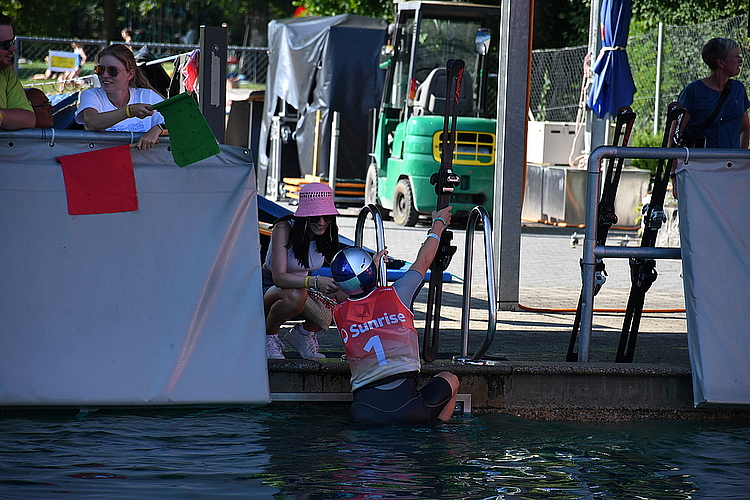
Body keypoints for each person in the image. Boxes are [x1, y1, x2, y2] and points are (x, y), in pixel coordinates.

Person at [330, 206, 460, 426]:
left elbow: (355, 296)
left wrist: (369, 267)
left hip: (363, 414)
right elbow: (424, 259)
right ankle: (440, 434)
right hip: (409, 409)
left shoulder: (339, 312)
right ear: (372, 272)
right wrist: (438, 223)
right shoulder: (400, 293)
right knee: (451, 379)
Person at [263, 183, 341, 360]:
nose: (321, 222)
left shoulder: (329, 231)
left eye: (327, 216)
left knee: (347, 291)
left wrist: (372, 263)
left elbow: (341, 265)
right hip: (269, 287)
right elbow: (279, 277)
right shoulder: (284, 228)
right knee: (296, 294)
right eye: (315, 218)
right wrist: (315, 282)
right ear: (304, 217)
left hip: (302, 288)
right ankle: (268, 337)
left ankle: (304, 334)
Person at [75, 44, 166, 150]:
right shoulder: (91, 95)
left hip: (144, 164)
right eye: (100, 69)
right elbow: (93, 122)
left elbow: (180, 121)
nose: (105, 75)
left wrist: (159, 129)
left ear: (130, 74)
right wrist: (129, 111)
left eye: (112, 71)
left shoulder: (147, 96)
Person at [678, 37, 750, 149]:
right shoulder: (693, 91)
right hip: (699, 163)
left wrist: (741, 159)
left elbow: (745, 128)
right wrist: (673, 165)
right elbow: (676, 134)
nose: (740, 60)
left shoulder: (738, 89)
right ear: (721, 63)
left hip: (731, 164)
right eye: (736, 56)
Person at [0, 13, 35, 130]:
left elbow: (28, 119)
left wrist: (1, 116)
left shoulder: (7, 75)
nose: (12, 48)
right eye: (5, 45)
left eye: (12, 42)